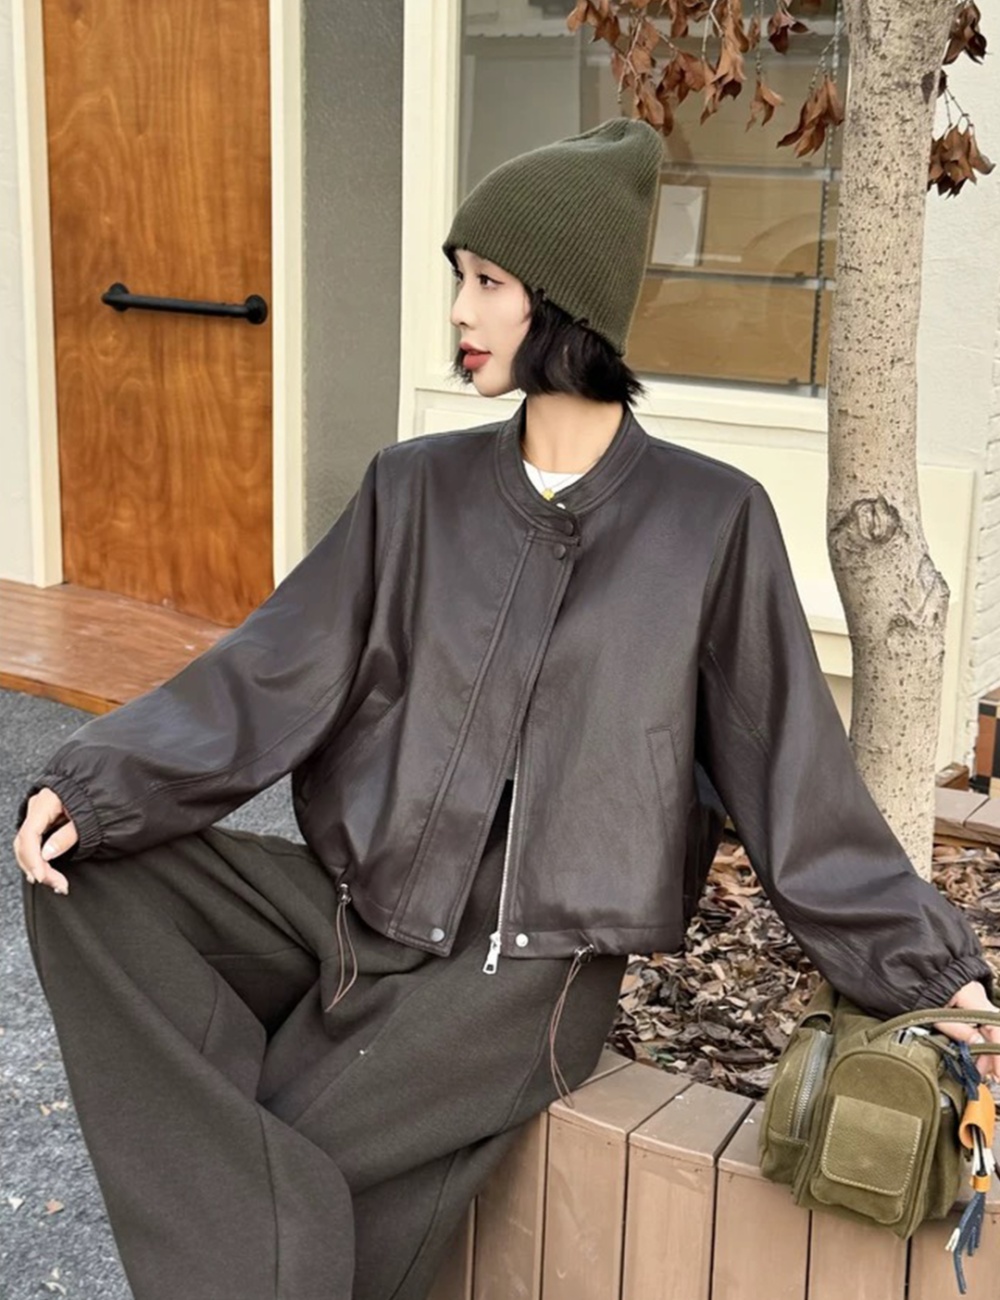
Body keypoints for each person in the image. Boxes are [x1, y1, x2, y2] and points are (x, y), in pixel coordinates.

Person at [12, 117, 1000, 1300]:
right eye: (458, 279)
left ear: (562, 300)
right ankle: (262, 1197)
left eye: (486, 282)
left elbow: (794, 779)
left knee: (288, 1155)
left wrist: (932, 970)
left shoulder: (708, 523)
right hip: (356, 912)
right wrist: (100, 783)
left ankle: (257, 1197)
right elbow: (270, 670)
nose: (458, 311)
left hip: (523, 972)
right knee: (83, 875)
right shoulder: (414, 488)